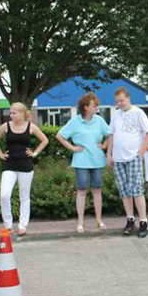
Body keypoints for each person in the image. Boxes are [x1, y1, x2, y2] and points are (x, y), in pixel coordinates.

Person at [0, 102, 48, 235]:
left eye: (14, 113)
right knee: (4, 195)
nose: (11, 115)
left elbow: (45, 140)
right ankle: (8, 224)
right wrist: (0, 154)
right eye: (10, 113)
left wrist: (35, 153)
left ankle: (23, 225)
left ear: (22, 113)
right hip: (9, 165)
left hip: (25, 165)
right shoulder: (5, 126)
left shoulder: (31, 126)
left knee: (24, 196)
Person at [57, 93, 111, 233]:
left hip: (97, 161)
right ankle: (80, 222)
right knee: (81, 191)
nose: (97, 107)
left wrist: (105, 145)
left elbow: (110, 134)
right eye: (94, 105)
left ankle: (99, 220)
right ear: (86, 107)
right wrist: (72, 148)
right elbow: (60, 136)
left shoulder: (99, 120)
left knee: (97, 191)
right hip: (81, 161)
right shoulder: (75, 121)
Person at [107, 87, 148, 238]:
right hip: (118, 158)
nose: (119, 103)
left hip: (133, 157)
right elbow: (111, 134)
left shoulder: (138, 112)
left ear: (128, 98)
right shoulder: (116, 115)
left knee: (136, 190)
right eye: (117, 101)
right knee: (124, 190)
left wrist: (141, 151)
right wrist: (109, 154)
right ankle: (130, 219)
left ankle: (143, 221)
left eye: (121, 100)